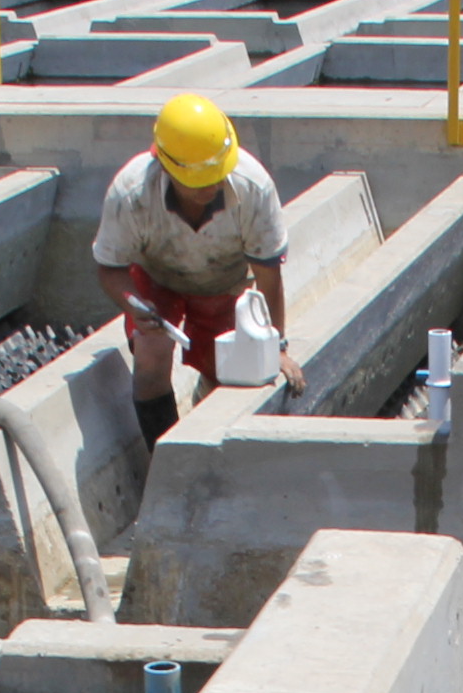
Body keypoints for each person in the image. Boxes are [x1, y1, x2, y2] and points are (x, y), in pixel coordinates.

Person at [91, 93, 304, 449]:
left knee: (226, 369)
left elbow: (268, 275)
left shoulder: (252, 188)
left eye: (217, 175)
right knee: (150, 354)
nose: (213, 186)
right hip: (156, 281)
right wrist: (134, 305)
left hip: (225, 283)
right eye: (199, 180)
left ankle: (208, 421)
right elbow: (109, 268)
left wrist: (275, 346)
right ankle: (164, 459)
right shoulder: (131, 194)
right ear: (167, 166)